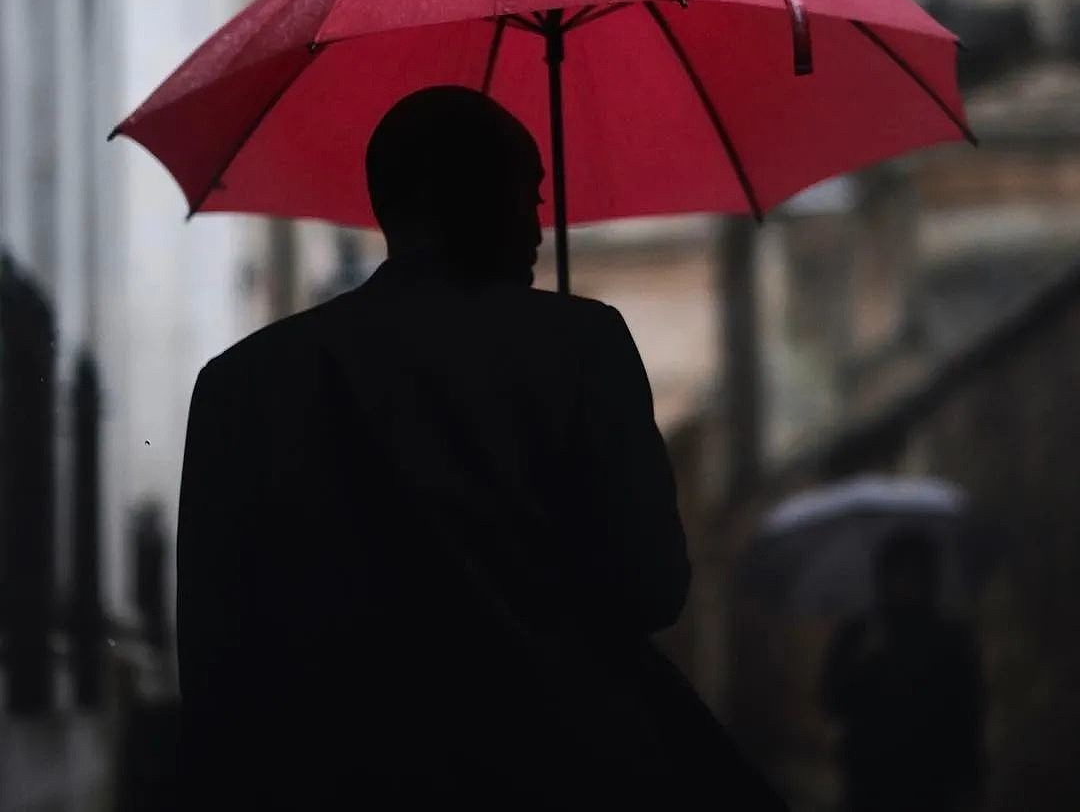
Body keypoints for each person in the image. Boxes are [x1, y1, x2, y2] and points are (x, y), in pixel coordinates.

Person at [177, 85, 787, 809]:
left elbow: (214, 668)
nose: (537, 224)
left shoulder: (242, 385)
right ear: (454, 195)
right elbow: (651, 586)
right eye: (523, 193)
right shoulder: (582, 347)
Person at [821, 528, 985, 812]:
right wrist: (862, 662)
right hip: (869, 783)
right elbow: (832, 700)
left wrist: (970, 784)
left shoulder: (951, 636)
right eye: (898, 573)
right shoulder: (861, 632)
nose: (905, 584)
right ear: (883, 577)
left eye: (915, 573)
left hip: (935, 785)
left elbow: (969, 713)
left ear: (929, 578)